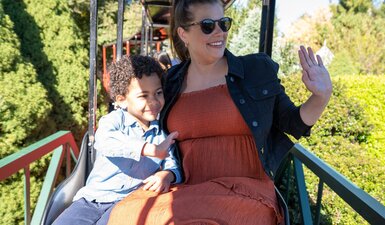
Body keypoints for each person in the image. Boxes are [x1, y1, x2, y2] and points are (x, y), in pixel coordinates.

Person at [107, 0, 332, 224]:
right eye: (208, 25)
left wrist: (320, 96)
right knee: (124, 215)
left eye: (223, 24)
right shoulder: (171, 81)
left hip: (245, 189)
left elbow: (292, 122)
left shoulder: (255, 70)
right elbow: (139, 120)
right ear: (183, 33)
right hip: (186, 186)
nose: (219, 32)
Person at [52, 55, 182, 225]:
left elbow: (173, 164)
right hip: (93, 199)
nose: (154, 101)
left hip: (130, 201)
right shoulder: (113, 122)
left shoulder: (162, 133)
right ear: (121, 100)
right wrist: (148, 149)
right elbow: (106, 141)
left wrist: (168, 175)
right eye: (143, 96)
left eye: (158, 93)